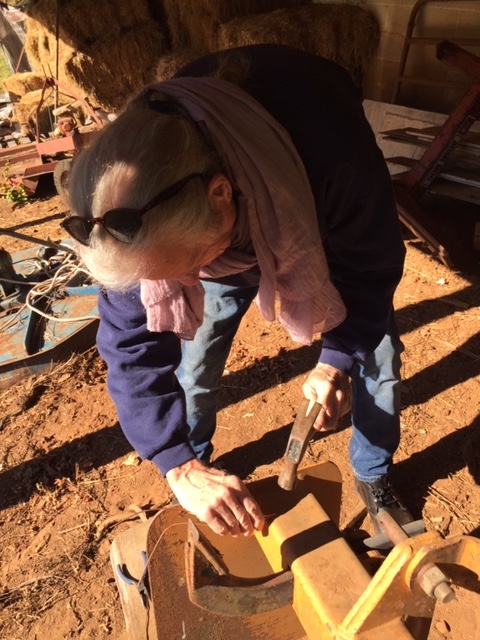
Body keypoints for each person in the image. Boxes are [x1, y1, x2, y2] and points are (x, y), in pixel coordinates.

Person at [63, 44, 414, 538]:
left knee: (374, 354)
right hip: (212, 233)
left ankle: (373, 473)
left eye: (188, 267)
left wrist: (336, 360)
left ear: (221, 194)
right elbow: (132, 349)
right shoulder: (126, 217)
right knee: (197, 357)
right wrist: (177, 464)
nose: (186, 290)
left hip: (301, 215)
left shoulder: (332, 158)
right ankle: (200, 465)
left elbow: (369, 272)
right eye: (163, 276)